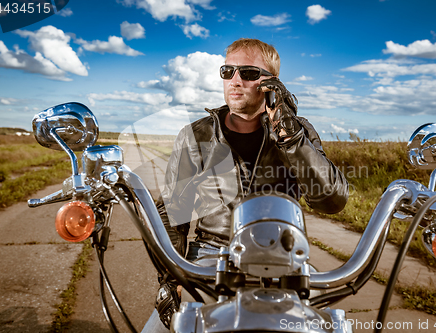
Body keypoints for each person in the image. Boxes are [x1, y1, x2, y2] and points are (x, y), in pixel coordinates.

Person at [150, 38, 349, 330]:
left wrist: (289, 137)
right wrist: (172, 279)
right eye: (227, 71)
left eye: (249, 73)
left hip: (282, 251)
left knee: (321, 326)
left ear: (273, 83)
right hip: (211, 253)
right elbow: (172, 213)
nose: (235, 80)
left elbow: (332, 200)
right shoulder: (196, 134)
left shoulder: (299, 131)